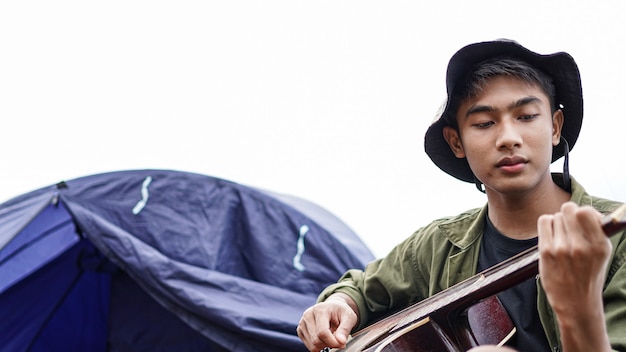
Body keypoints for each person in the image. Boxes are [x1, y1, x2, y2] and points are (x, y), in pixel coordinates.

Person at [296, 40, 626, 352]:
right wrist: (337, 305)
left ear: (555, 127)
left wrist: (579, 311)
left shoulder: (617, 237)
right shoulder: (436, 246)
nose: (508, 138)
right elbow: (363, 289)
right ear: (456, 142)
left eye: (526, 117)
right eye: (484, 123)